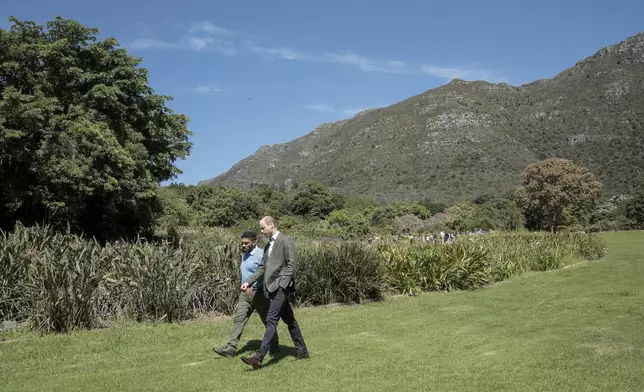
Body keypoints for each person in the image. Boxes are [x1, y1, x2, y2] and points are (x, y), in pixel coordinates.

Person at [240, 216, 309, 369]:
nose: (261, 231)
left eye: (263, 228)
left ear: (271, 226)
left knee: (271, 320)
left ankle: (258, 358)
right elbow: (262, 268)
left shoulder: (285, 241)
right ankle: (302, 351)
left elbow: (292, 264)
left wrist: (283, 284)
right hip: (271, 288)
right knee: (290, 320)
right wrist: (248, 281)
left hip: (280, 288)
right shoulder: (267, 245)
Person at [212, 231, 279, 358]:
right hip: (245, 294)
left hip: (259, 293)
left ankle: (274, 346)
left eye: (246, 243)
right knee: (239, 319)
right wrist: (244, 286)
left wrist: (252, 285)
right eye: (242, 243)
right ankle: (231, 349)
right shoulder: (245, 255)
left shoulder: (261, 254)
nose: (243, 245)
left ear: (254, 242)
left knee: (268, 321)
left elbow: (264, 272)